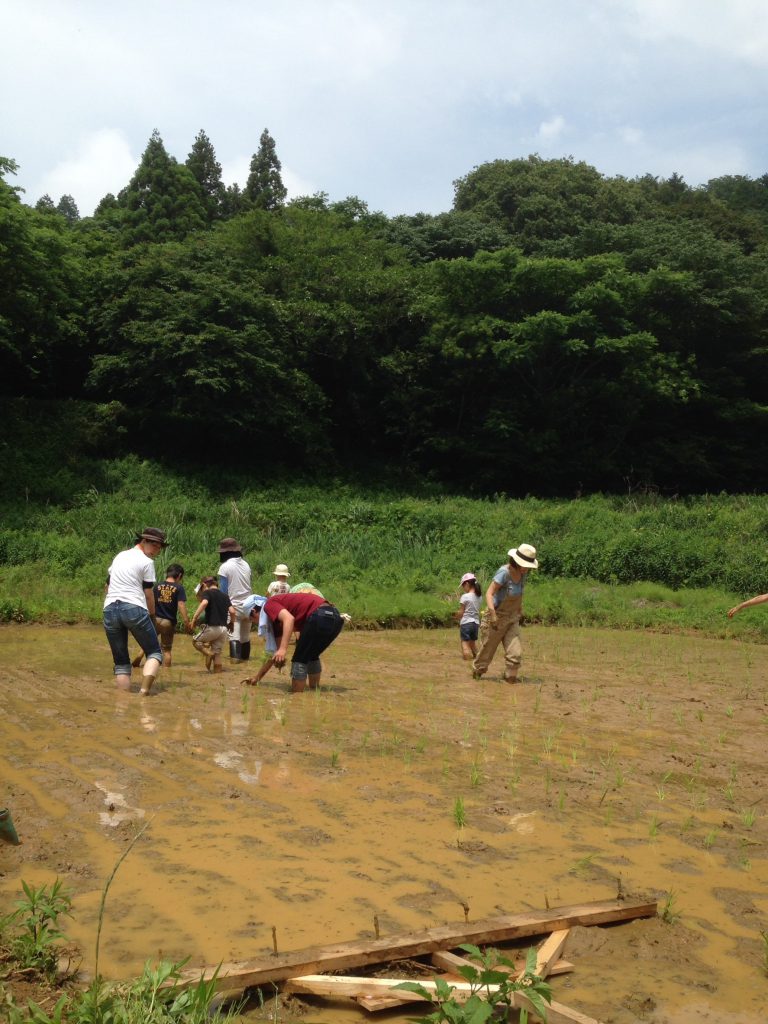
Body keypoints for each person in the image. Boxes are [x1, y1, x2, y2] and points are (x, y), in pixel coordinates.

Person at [103, 527, 167, 695]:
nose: (157, 551)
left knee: (121, 662)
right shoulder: (146, 562)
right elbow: (148, 594)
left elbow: (107, 586)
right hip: (133, 608)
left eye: (160, 547)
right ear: (144, 541)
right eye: (155, 546)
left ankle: (123, 702)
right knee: (154, 652)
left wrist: (111, 604)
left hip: (110, 609)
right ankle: (144, 692)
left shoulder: (120, 556)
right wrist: (152, 616)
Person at [242, 591, 344, 693]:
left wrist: (283, 649)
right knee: (311, 655)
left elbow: (289, 619)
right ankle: (314, 691)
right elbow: (274, 653)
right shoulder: (275, 623)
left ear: (254, 611)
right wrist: (257, 678)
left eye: (251, 619)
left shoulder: (269, 605)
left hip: (319, 615)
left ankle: (297, 697)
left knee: (299, 660)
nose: (255, 623)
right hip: (336, 619)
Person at [472, 544, 538, 684]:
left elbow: (520, 593)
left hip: (512, 617)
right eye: (524, 565)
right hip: (496, 617)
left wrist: (519, 610)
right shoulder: (504, 573)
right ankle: (477, 673)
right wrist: (493, 615)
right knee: (486, 652)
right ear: (517, 562)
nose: (526, 569)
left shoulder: (523, 574)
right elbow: (489, 593)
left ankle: (510, 680)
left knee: (515, 652)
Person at [132, 563, 191, 669]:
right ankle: (166, 671)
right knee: (166, 650)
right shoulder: (179, 588)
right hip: (168, 622)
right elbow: (181, 605)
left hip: (155, 619)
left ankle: (137, 660)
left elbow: (150, 601)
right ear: (179, 575)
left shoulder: (157, 586)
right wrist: (187, 622)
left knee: (148, 644)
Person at [217, 537, 253, 662]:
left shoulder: (225, 567)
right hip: (249, 605)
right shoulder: (246, 564)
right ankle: (245, 661)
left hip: (234, 606)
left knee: (234, 636)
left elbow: (223, 591)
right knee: (245, 637)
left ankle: (235, 660)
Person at [190, 577, 236, 672]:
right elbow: (232, 611)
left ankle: (208, 654)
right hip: (223, 629)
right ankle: (218, 674)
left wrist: (194, 618)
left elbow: (204, 603)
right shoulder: (225, 595)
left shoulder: (207, 593)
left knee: (195, 641)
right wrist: (232, 623)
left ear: (204, 585)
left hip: (212, 627)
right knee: (217, 654)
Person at [456, 572, 481, 661]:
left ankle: (467, 658)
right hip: (475, 624)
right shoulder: (479, 597)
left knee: (465, 643)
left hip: (466, 623)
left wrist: (456, 616)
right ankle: (478, 657)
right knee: (473, 643)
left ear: (466, 583)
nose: (463, 588)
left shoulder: (465, 597)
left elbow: (462, 612)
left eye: (463, 586)